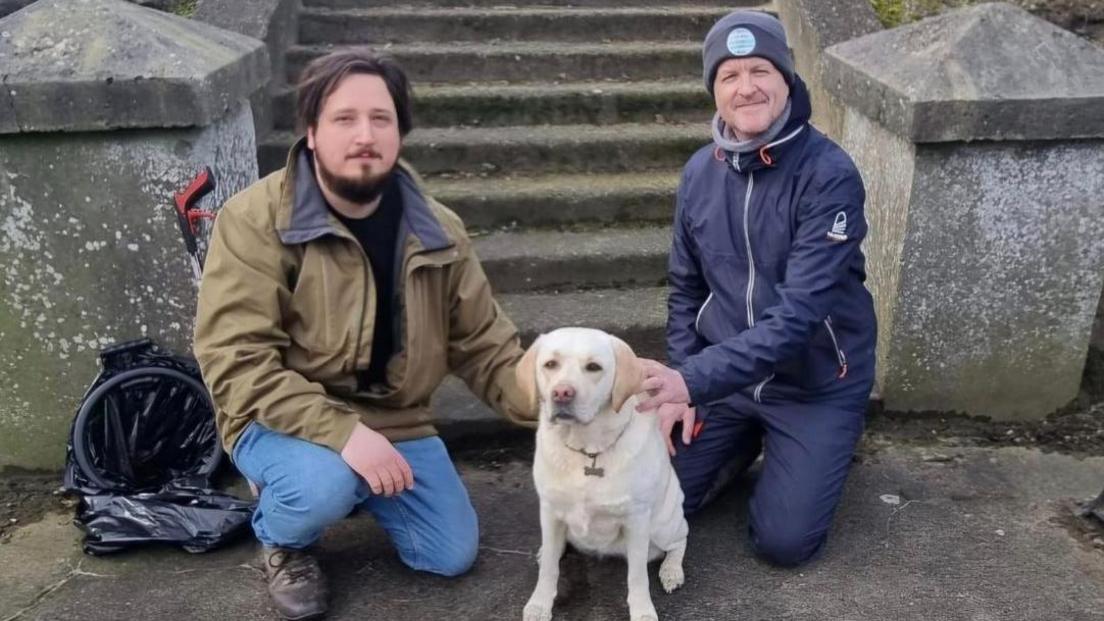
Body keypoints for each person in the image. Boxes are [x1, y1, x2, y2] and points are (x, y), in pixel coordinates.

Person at [193, 49, 534, 620]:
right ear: (311, 131)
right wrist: (343, 434)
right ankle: (283, 537)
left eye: (381, 118)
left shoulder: (439, 229)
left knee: (449, 555)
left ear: (400, 131)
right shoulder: (253, 219)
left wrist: (571, 397)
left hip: (396, 420)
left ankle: (346, 484)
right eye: (344, 118)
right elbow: (236, 358)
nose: (364, 135)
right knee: (321, 486)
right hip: (279, 418)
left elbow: (484, 348)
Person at [635, 10, 878, 568]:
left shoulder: (829, 175)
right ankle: (741, 439)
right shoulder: (699, 173)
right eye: (729, 75)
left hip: (814, 384)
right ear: (714, 92)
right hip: (727, 381)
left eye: (761, 69)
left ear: (787, 78)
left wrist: (689, 380)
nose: (747, 87)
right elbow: (685, 288)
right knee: (646, 509)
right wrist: (684, 388)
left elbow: (798, 319)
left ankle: (821, 443)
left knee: (784, 544)